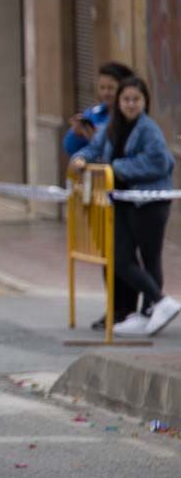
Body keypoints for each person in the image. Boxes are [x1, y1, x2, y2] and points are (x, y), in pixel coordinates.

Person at [72, 76, 180, 337]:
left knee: (149, 256)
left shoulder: (148, 130)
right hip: (123, 201)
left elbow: (160, 163)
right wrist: (80, 159)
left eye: (136, 100)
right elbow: (93, 148)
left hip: (149, 201)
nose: (131, 105)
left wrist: (116, 169)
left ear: (145, 102)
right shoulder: (112, 127)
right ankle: (158, 304)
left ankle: (152, 309)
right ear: (119, 102)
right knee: (120, 257)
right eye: (126, 99)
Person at [64, 62, 135, 156]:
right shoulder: (93, 113)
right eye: (102, 88)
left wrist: (96, 140)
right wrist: (76, 133)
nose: (105, 93)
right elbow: (70, 149)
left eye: (111, 88)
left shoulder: (131, 118)